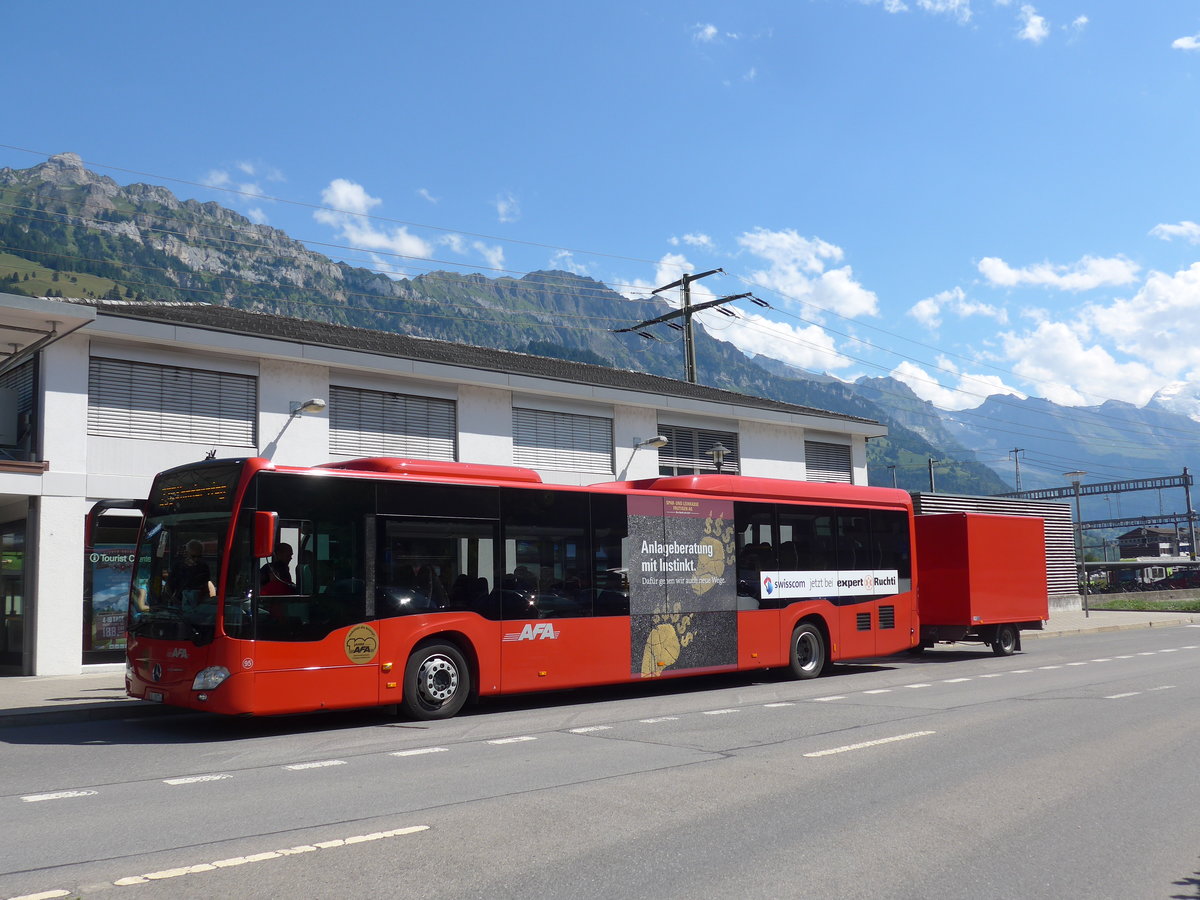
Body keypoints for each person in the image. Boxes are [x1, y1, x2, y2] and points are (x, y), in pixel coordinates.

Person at [168, 540, 215, 610]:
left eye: (199, 556)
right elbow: (169, 585)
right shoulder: (178, 566)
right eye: (193, 556)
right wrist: (173, 599)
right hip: (179, 602)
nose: (196, 559)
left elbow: (206, 585)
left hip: (198, 603)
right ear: (187, 553)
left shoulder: (203, 567)